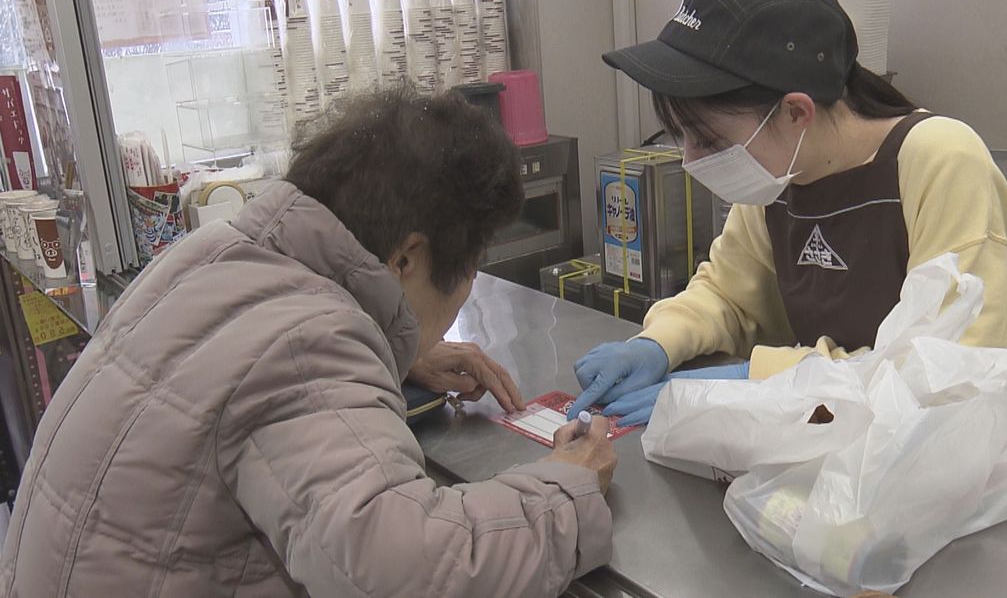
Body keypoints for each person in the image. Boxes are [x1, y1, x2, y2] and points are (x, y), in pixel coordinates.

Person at [0, 88, 617, 597]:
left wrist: (397, 351)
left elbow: (233, 361)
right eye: (472, 264)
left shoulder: (216, 252)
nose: (466, 291)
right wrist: (565, 486)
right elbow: (406, 571)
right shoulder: (309, 346)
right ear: (407, 257)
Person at [571, 0, 1007, 461]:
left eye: (709, 140)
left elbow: (943, 375)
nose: (691, 160)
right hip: (853, 453)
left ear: (795, 112)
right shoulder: (778, 178)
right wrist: (659, 343)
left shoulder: (940, 159)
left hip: (979, 461)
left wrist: (750, 379)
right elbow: (730, 295)